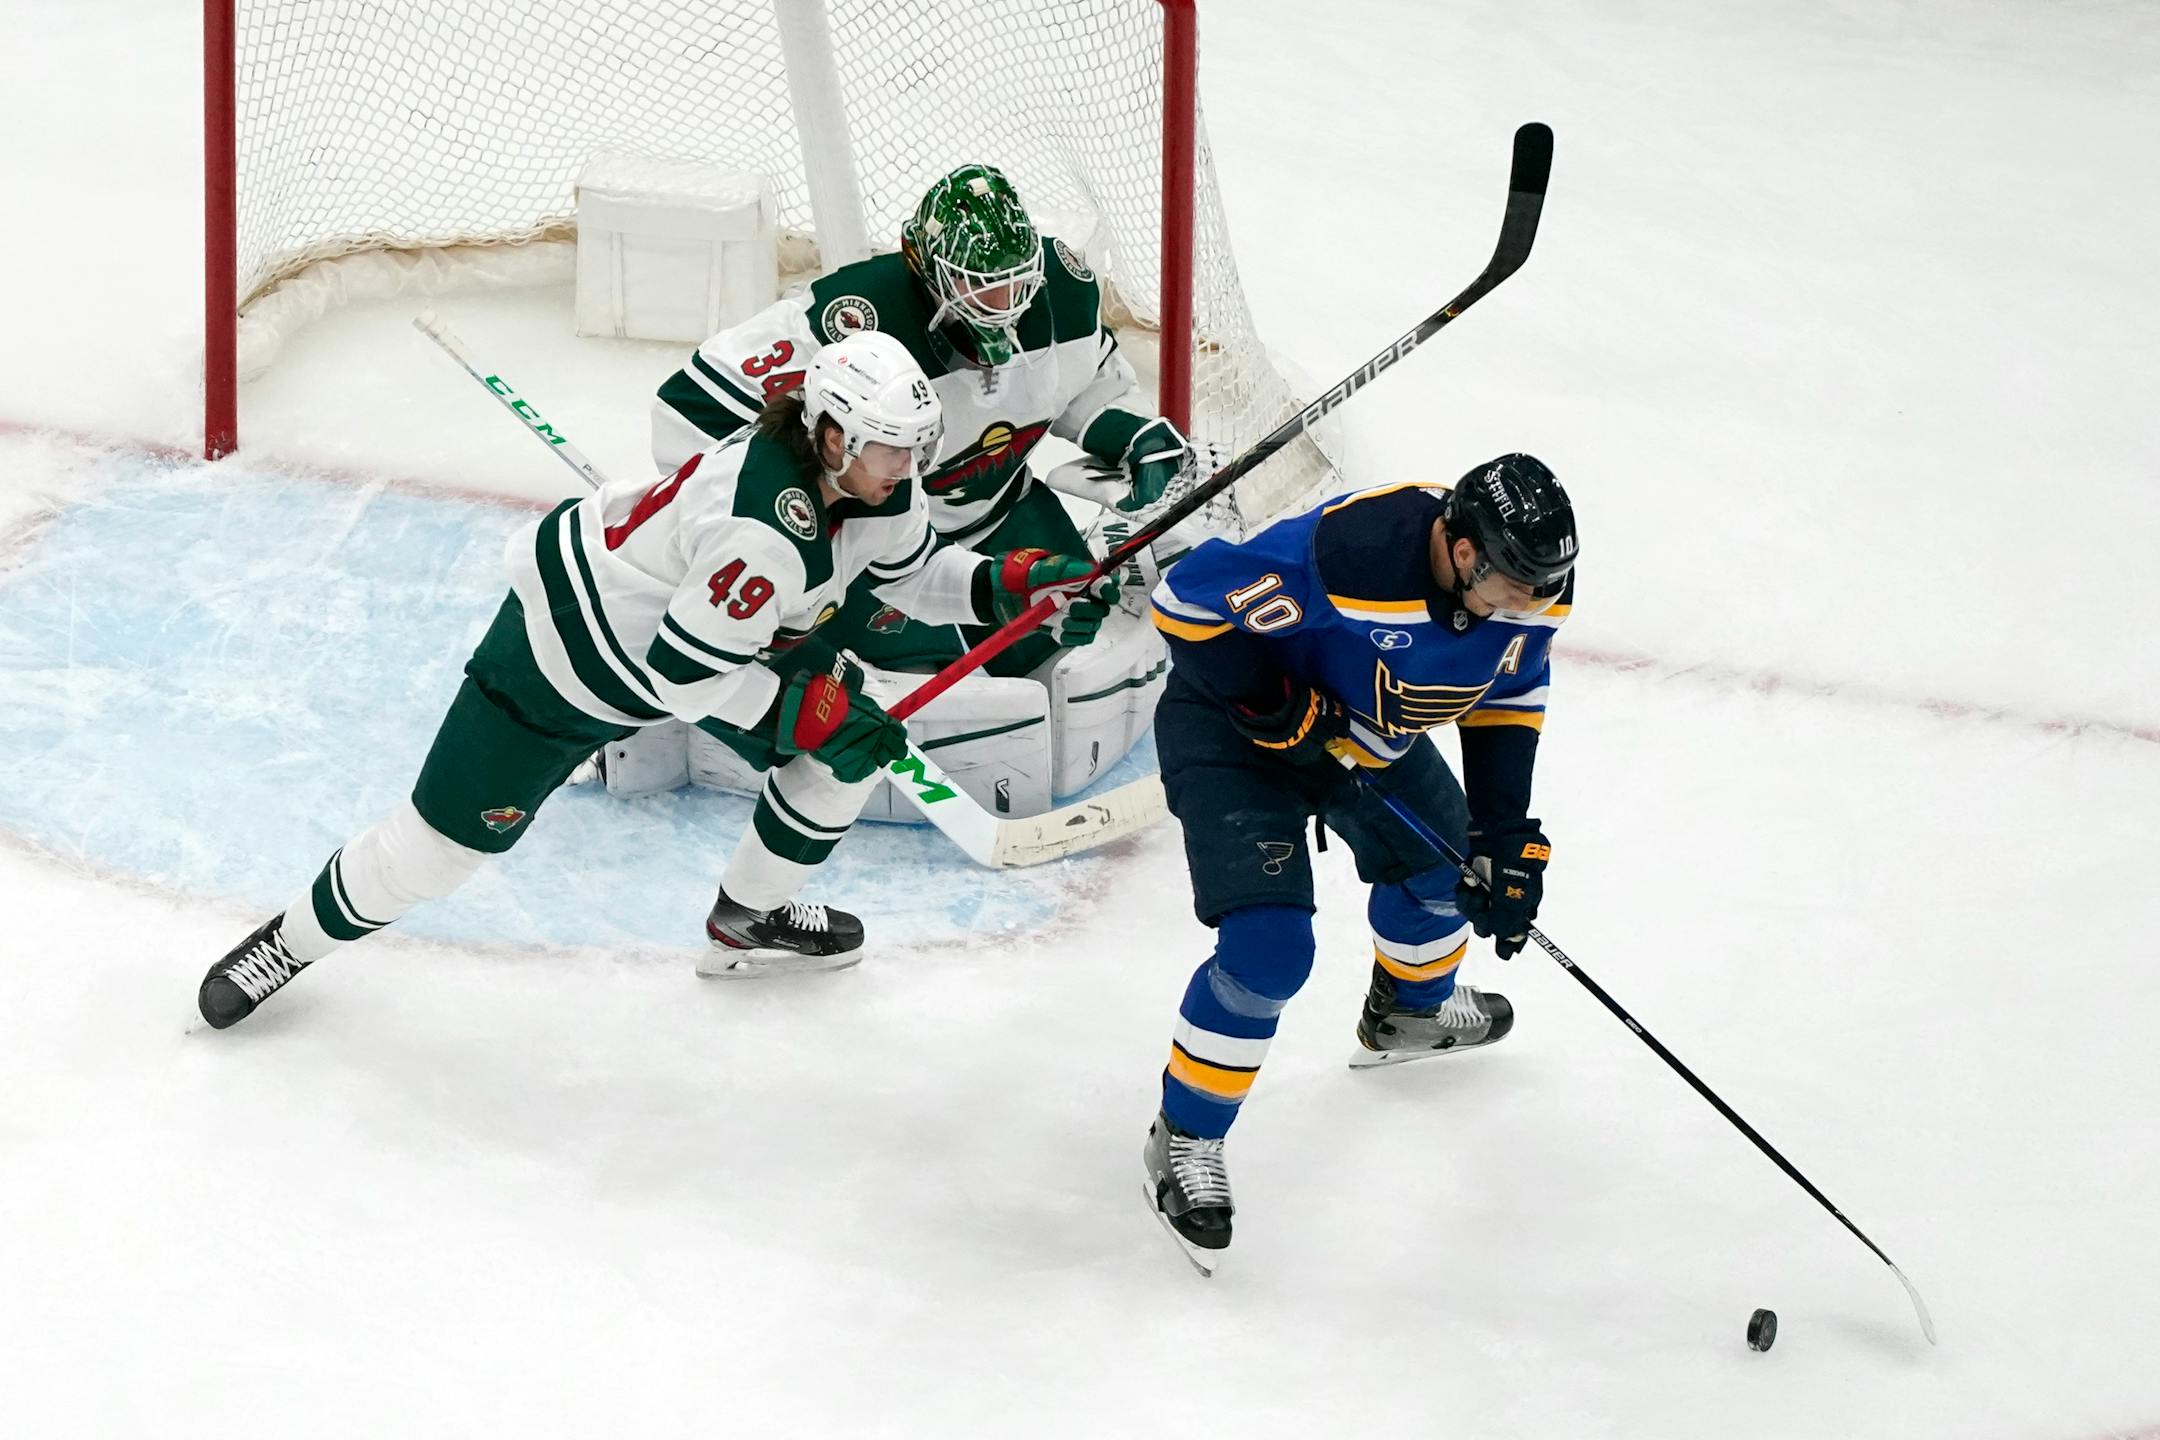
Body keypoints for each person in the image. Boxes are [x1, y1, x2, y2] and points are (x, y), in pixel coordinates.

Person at [195, 333, 1117, 1029]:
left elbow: (905, 572)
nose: (906, 471)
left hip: (713, 638)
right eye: (888, 449)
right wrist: (808, 711)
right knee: (437, 853)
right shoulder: (761, 526)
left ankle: (746, 924)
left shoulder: (876, 483)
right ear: (830, 432)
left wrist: (1000, 583)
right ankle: (289, 941)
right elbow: (682, 681)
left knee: (851, 750)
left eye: (916, 450)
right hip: (569, 659)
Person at [1138, 454, 1579, 1261]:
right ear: (1464, 548)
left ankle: (1407, 1012)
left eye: (1539, 592)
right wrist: (1265, 699)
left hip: (1360, 736)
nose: (1524, 607)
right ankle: (1186, 1135)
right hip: (1234, 734)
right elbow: (1185, 599)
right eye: (1510, 588)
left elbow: (1509, 693)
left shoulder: (1532, 589)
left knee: (1451, 875)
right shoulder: (1357, 554)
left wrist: (1503, 834)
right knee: (1268, 953)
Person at [650, 161, 1195, 680]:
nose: (1003, 304)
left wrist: (1134, 433)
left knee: (1073, 624)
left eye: (1015, 281)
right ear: (927, 271)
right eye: (978, 284)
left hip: (1004, 511)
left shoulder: (1064, 291)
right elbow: (690, 408)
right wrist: (775, 524)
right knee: (924, 685)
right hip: (880, 546)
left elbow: (1087, 383)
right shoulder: (856, 321)